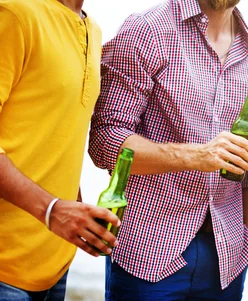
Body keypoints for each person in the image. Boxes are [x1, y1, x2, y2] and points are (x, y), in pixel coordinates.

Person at [88, 0, 248, 300]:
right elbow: (105, 141)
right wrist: (197, 156)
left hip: (227, 260)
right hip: (148, 253)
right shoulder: (147, 31)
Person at [0, 0, 121, 300]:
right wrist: (52, 210)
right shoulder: (15, 13)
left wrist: (77, 213)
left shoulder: (93, 30)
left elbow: (52, 134)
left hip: (55, 267)